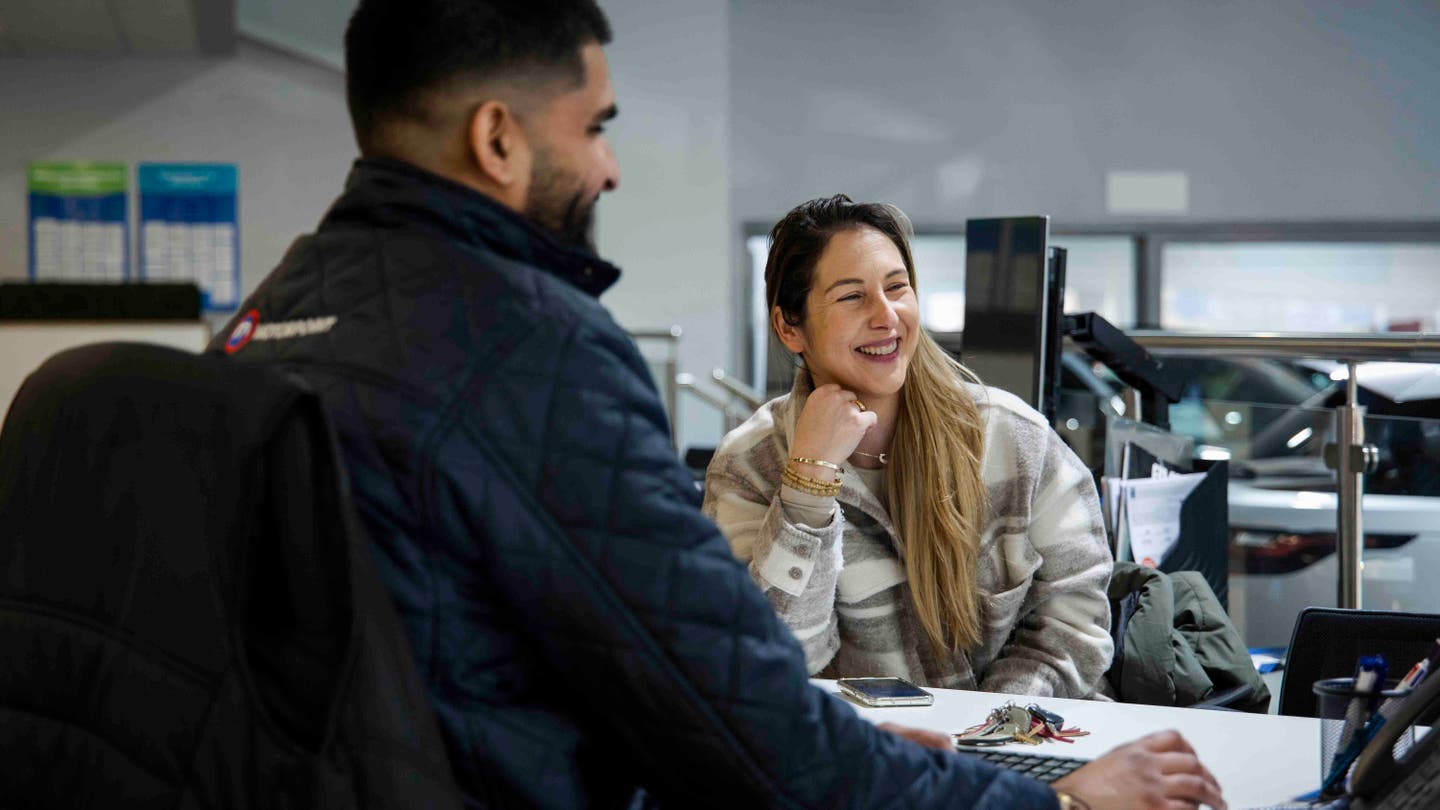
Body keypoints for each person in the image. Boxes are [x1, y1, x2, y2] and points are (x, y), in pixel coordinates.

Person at [213, 1, 1225, 807]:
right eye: (596, 126)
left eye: (898, 286)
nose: (608, 163)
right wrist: (1043, 802)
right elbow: (736, 711)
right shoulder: (540, 353)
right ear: (497, 138)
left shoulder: (262, 325)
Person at [704, 196, 1114, 699]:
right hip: (867, 757)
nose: (887, 316)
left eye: (897, 288)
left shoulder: (1011, 436)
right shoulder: (750, 464)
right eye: (852, 297)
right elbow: (775, 661)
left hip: (1013, 742)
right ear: (790, 327)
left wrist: (990, 732)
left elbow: (1078, 615)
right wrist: (808, 483)